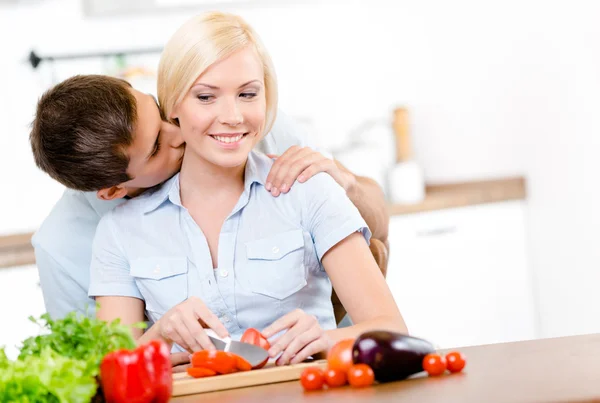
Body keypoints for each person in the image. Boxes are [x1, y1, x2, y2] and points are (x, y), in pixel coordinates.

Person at [89, 11, 406, 367]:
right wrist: (160, 335)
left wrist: (325, 340)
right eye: (206, 97)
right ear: (173, 102)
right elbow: (113, 369)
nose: (233, 115)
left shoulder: (307, 189)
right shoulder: (120, 231)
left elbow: (392, 330)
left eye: (248, 93)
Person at [30, 82, 388, 320]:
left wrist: (343, 183)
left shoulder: (245, 130)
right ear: (113, 190)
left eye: (158, 112)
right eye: (156, 147)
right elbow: (96, 373)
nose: (179, 132)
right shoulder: (63, 248)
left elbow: (381, 226)